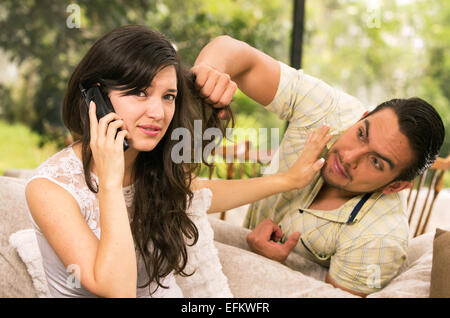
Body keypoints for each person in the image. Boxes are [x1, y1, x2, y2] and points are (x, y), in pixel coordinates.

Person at [25, 25, 332, 298]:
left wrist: (287, 181)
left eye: (168, 96)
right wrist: (109, 180)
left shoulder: (150, 164)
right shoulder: (49, 189)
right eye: (140, 93)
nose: (158, 113)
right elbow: (117, 291)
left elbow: (197, 193)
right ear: (95, 98)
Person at [191, 35, 445, 296]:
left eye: (376, 161)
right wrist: (208, 76)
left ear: (396, 186)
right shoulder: (328, 111)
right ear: (362, 117)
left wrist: (277, 268)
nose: (349, 157)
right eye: (361, 134)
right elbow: (235, 53)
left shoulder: (380, 238)